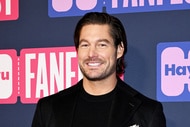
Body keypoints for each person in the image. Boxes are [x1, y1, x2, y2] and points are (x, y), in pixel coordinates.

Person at [32, 12, 166, 127]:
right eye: (85, 45)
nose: (91, 54)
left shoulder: (147, 112)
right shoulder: (49, 108)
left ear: (119, 50)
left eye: (101, 45)